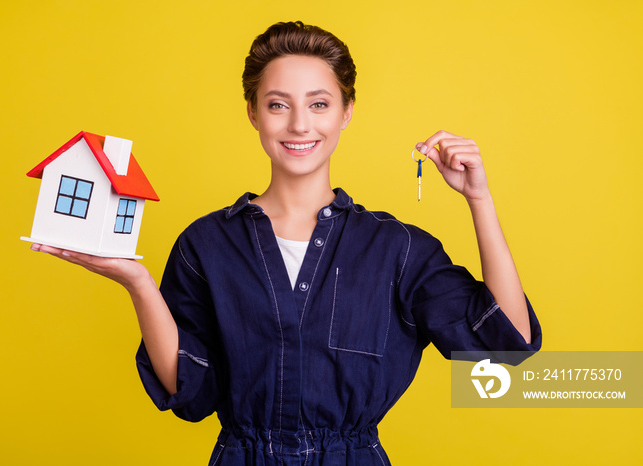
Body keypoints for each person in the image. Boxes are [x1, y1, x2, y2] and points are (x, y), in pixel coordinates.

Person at [32, 21, 541, 466]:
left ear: (345, 112)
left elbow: (506, 347)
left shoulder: (397, 248)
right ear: (253, 112)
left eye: (319, 104)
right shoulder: (206, 244)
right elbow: (189, 392)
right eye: (278, 105)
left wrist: (480, 199)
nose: (300, 124)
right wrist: (138, 283)